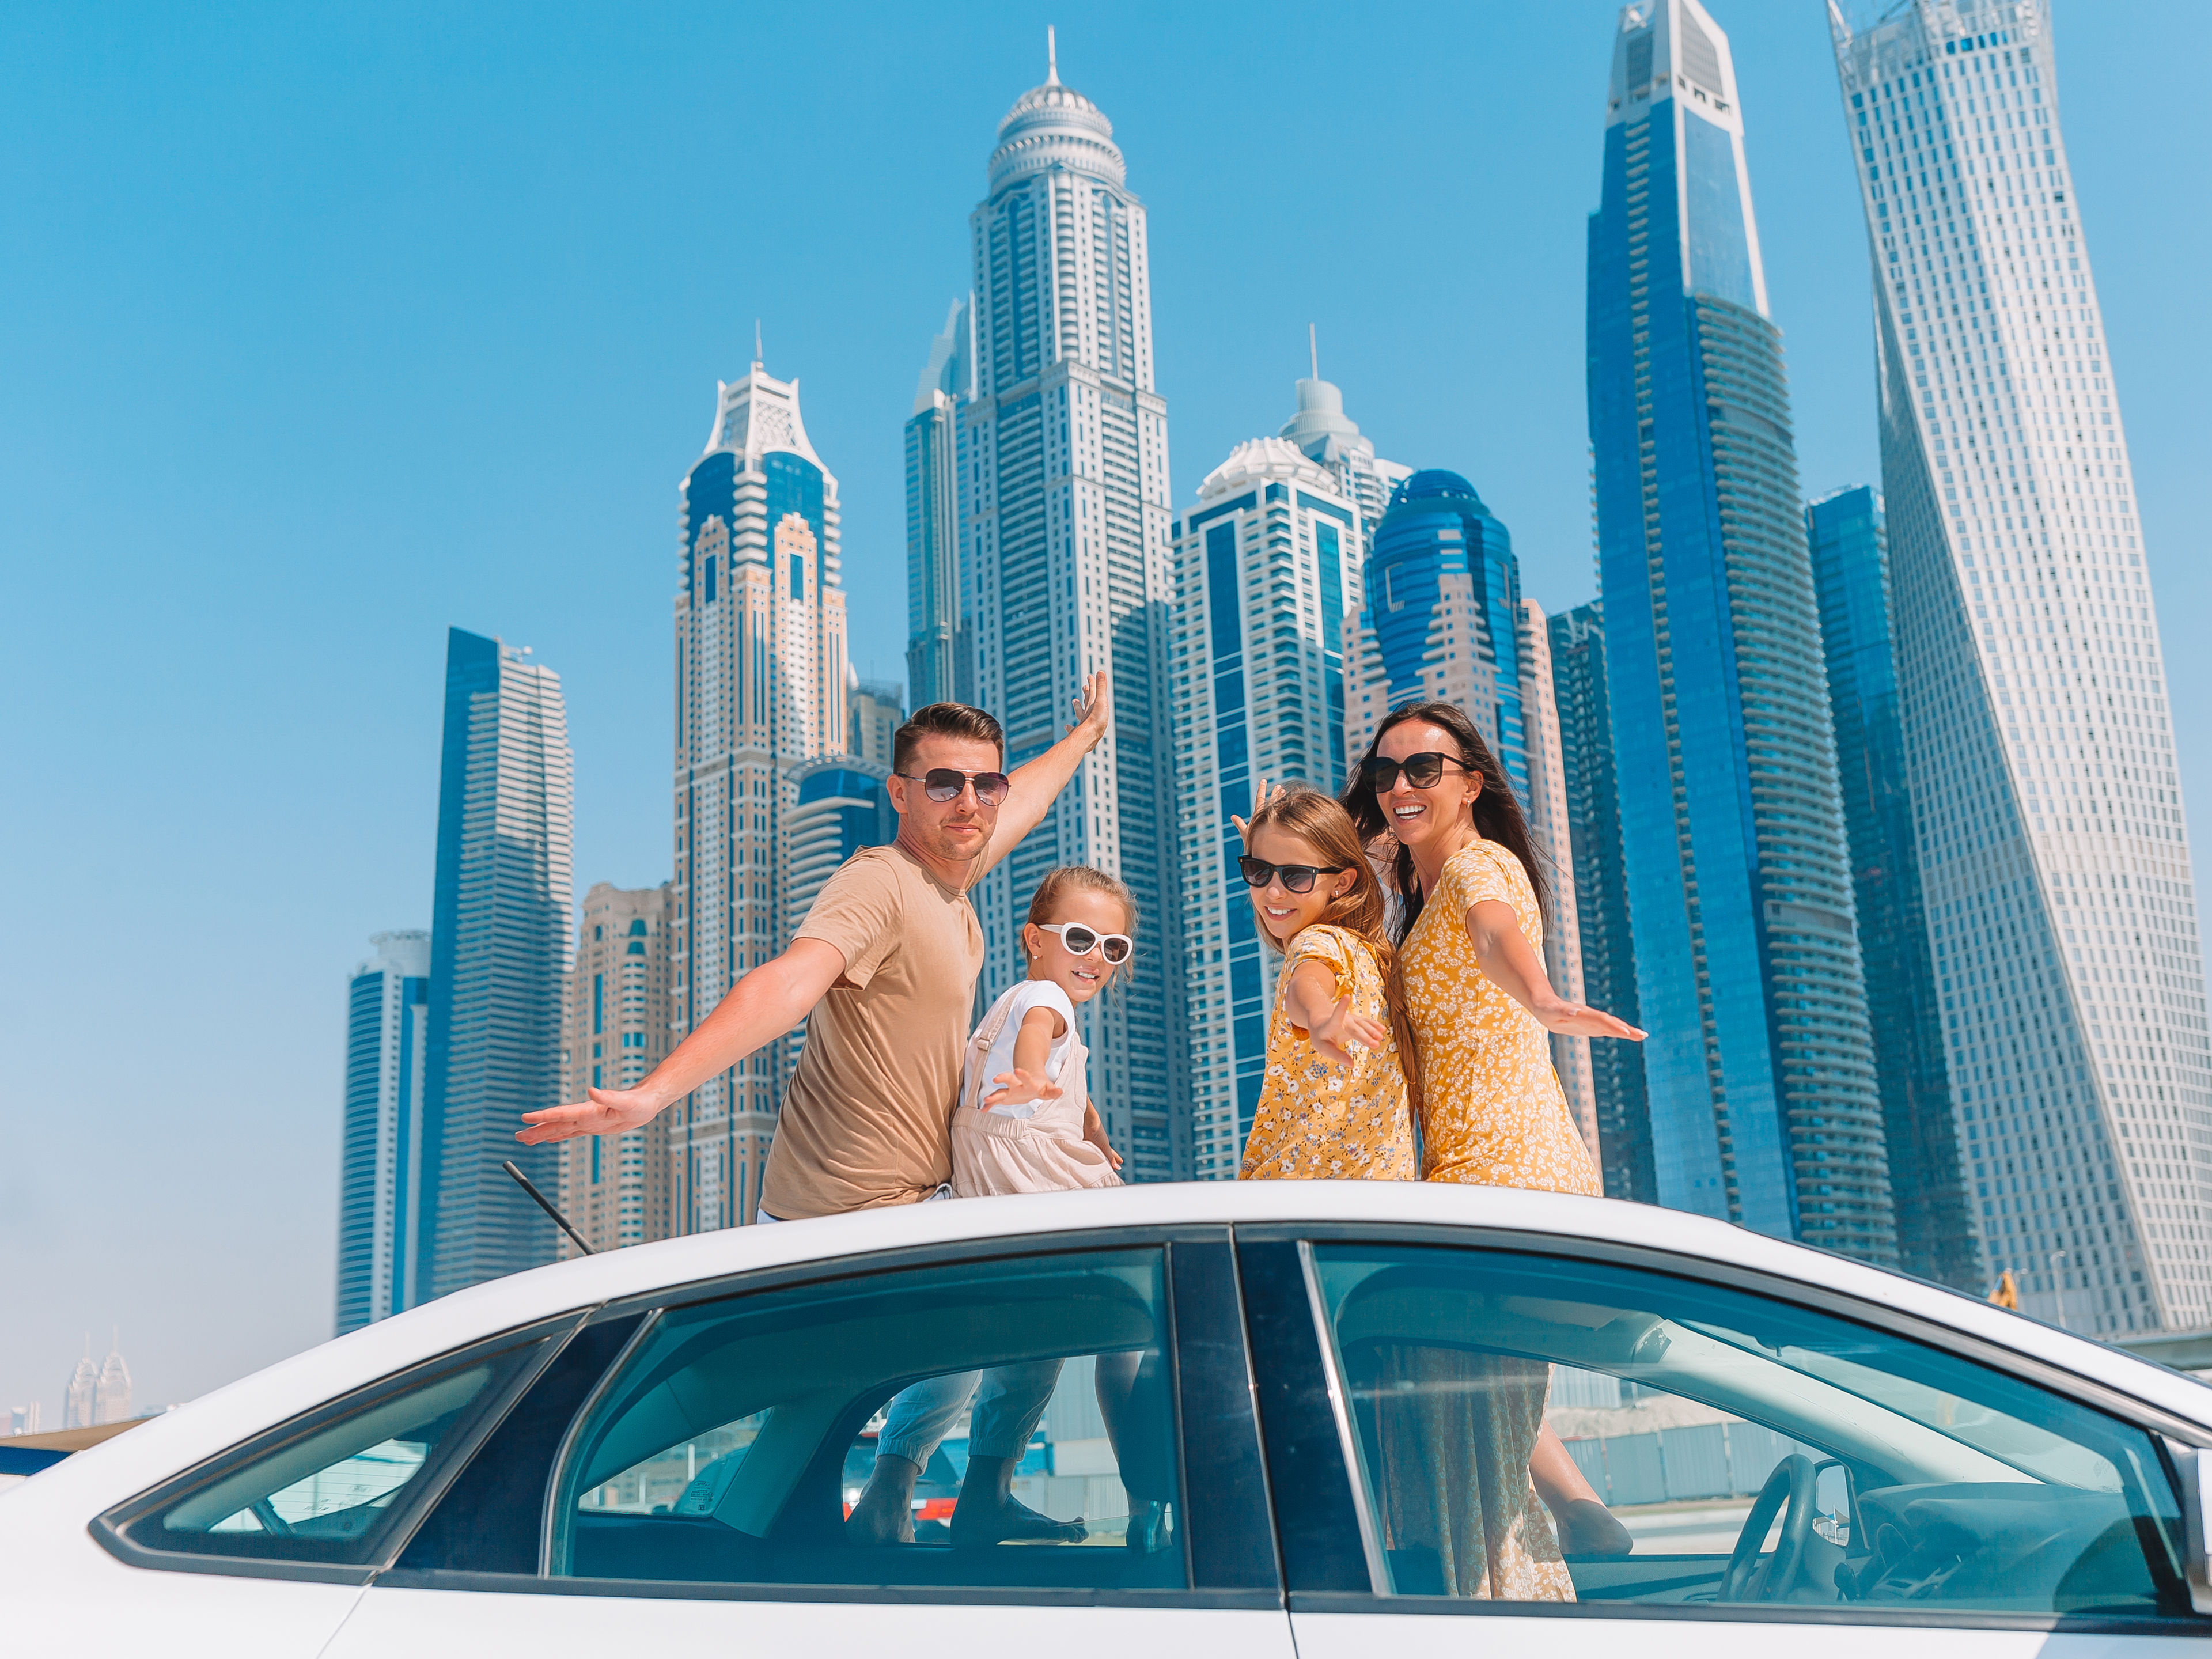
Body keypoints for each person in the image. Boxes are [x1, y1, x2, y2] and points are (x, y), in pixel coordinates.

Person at [516, 676, 1112, 1222]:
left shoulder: (949, 879)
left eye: (987, 785)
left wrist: (1085, 736)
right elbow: (789, 984)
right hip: (843, 1222)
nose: (968, 802)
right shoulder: (882, 882)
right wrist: (654, 1094)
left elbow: (1027, 805)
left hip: (912, 1205)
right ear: (900, 795)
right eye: (943, 784)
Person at [1342, 700, 1647, 1593]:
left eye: (1423, 769)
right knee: (1455, 1391)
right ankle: (1583, 1519)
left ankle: (1514, 1597)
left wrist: (1545, 998)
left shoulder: (1482, 865)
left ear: (1471, 783)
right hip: (1458, 1174)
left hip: (1510, 1167)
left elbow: (1495, 930)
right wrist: (1290, 858)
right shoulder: (1411, 899)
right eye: (1385, 773)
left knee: (1461, 1403)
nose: (1401, 786)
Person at [847, 868, 1169, 1552]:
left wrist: (1092, 1126)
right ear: (1034, 940)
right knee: (1138, 1312)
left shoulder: (1017, 1001)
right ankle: (1149, 1505)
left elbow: (1063, 1081)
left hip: (991, 1191)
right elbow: (1041, 1034)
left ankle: (918, 1492)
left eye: (1114, 948)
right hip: (1036, 1189)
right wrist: (1030, 1077)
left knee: (1003, 1346)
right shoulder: (1046, 999)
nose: (1097, 958)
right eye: (1081, 938)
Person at [1228, 784, 1416, 1181]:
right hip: (1372, 1200)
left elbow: (1308, 980)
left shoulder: (1316, 942)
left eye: (1296, 876)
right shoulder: (1376, 957)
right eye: (1257, 871)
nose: (1272, 891)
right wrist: (1273, 846)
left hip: (1298, 1196)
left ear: (1342, 883)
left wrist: (1319, 1016)